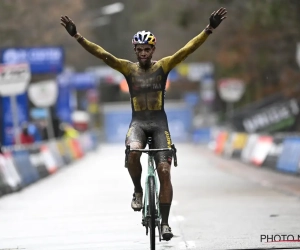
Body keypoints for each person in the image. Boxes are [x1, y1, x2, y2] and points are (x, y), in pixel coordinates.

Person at [61, 7, 227, 241]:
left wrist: (208, 29)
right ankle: (138, 190)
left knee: (165, 171)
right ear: (135, 50)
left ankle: (166, 224)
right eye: (139, 49)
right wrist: (77, 36)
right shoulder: (128, 68)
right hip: (138, 122)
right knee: (133, 153)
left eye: (147, 49)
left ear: (153, 50)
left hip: (159, 123)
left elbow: (187, 50)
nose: (143, 53)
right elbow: (101, 54)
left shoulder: (164, 66)